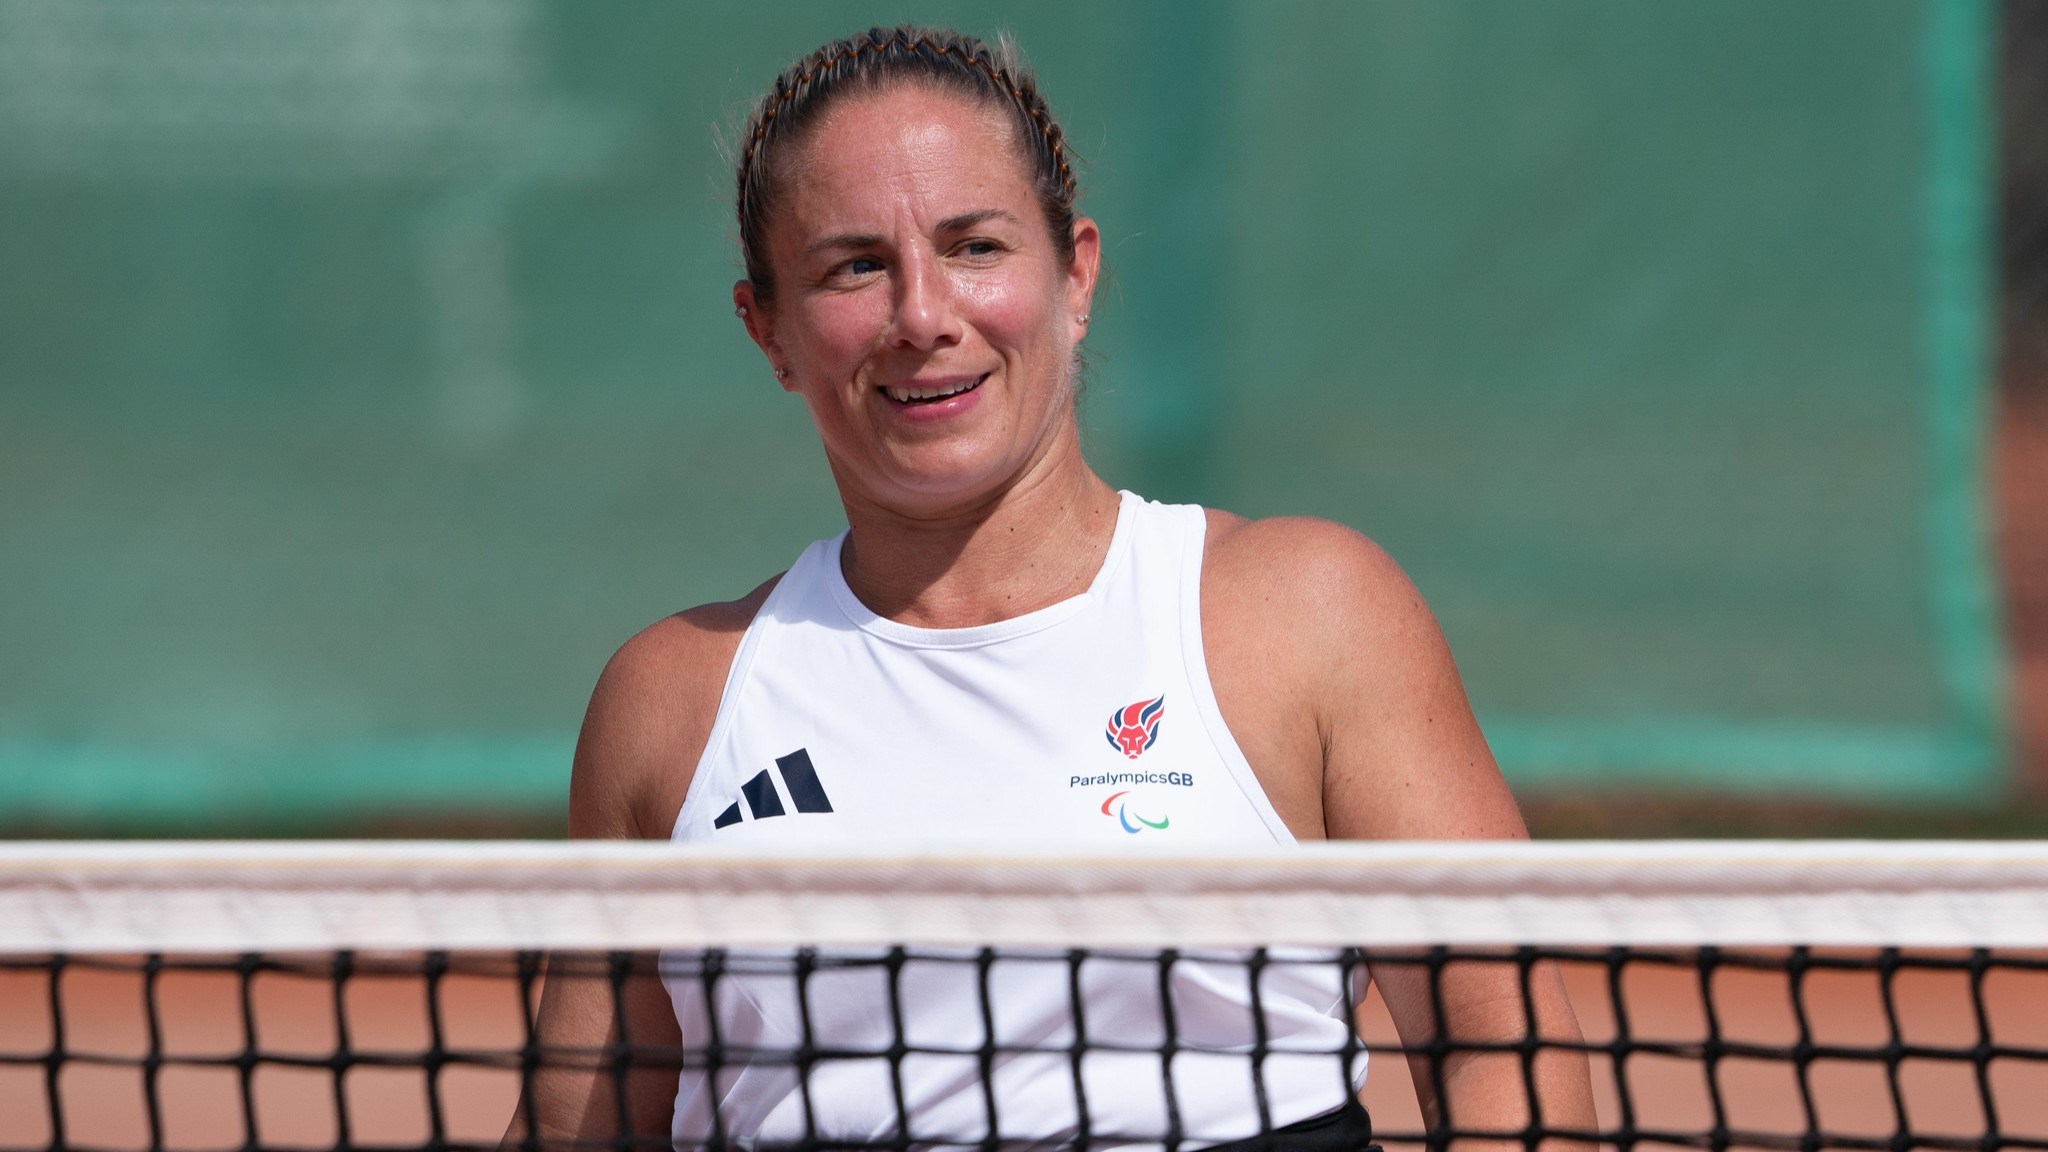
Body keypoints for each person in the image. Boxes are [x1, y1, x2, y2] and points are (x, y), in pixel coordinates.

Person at [508, 25, 1596, 1151]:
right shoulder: (668, 700)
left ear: (1074, 274)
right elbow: (574, 1127)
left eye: (973, 245)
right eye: (854, 266)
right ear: (769, 330)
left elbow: (1505, 1051)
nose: (923, 315)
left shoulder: (1302, 613)